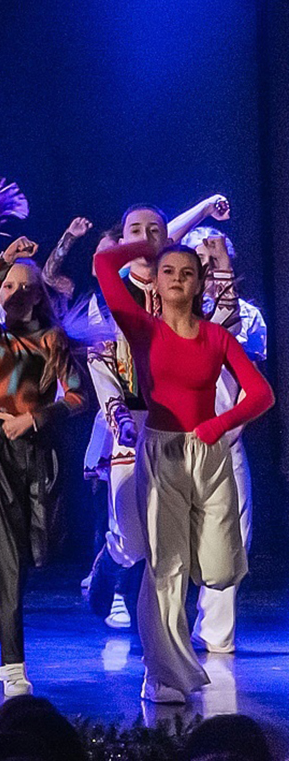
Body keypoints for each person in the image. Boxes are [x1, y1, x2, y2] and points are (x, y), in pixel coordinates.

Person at [94, 235, 272, 704]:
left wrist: (219, 424)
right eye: (168, 271)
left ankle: (171, 652)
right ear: (155, 280)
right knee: (166, 567)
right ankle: (162, 674)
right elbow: (103, 264)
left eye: (187, 273)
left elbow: (261, 394)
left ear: (198, 284)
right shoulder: (142, 329)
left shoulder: (216, 337)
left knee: (220, 568)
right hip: (163, 451)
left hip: (209, 453)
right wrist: (146, 243)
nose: (177, 279)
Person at [0, 236, 87, 697]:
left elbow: (78, 397)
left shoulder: (51, 340)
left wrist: (36, 417)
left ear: (39, 295)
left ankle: (12, 589)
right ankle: (12, 662)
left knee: (39, 550)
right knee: (8, 557)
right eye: (9, 286)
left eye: (26, 287)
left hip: (40, 449)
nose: (16, 293)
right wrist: (3, 262)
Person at [183, 225, 268, 654]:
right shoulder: (176, 314)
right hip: (175, 436)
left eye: (214, 260)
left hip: (224, 436)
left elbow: (250, 380)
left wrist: (233, 428)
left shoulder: (247, 317)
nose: (208, 269)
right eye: (200, 261)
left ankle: (215, 633)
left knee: (233, 533)